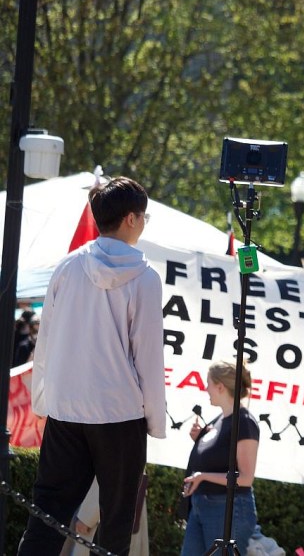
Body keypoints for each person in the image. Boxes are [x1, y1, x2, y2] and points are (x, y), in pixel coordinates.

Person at [19, 176, 166, 556]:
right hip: (119, 413)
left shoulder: (67, 267)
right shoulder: (145, 278)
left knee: (47, 511)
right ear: (131, 219)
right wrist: (155, 420)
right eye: (145, 216)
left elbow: (46, 340)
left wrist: (43, 401)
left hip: (66, 407)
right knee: (115, 521)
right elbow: (148, 355)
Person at [180, 360, 260, 555]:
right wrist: (199, 439)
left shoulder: (244, 422)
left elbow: (245, 478)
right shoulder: (219, 421)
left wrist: (203, 476)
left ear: (220, 386)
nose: (206, 388)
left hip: (227, 509)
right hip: (202, 507)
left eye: (208, 383)